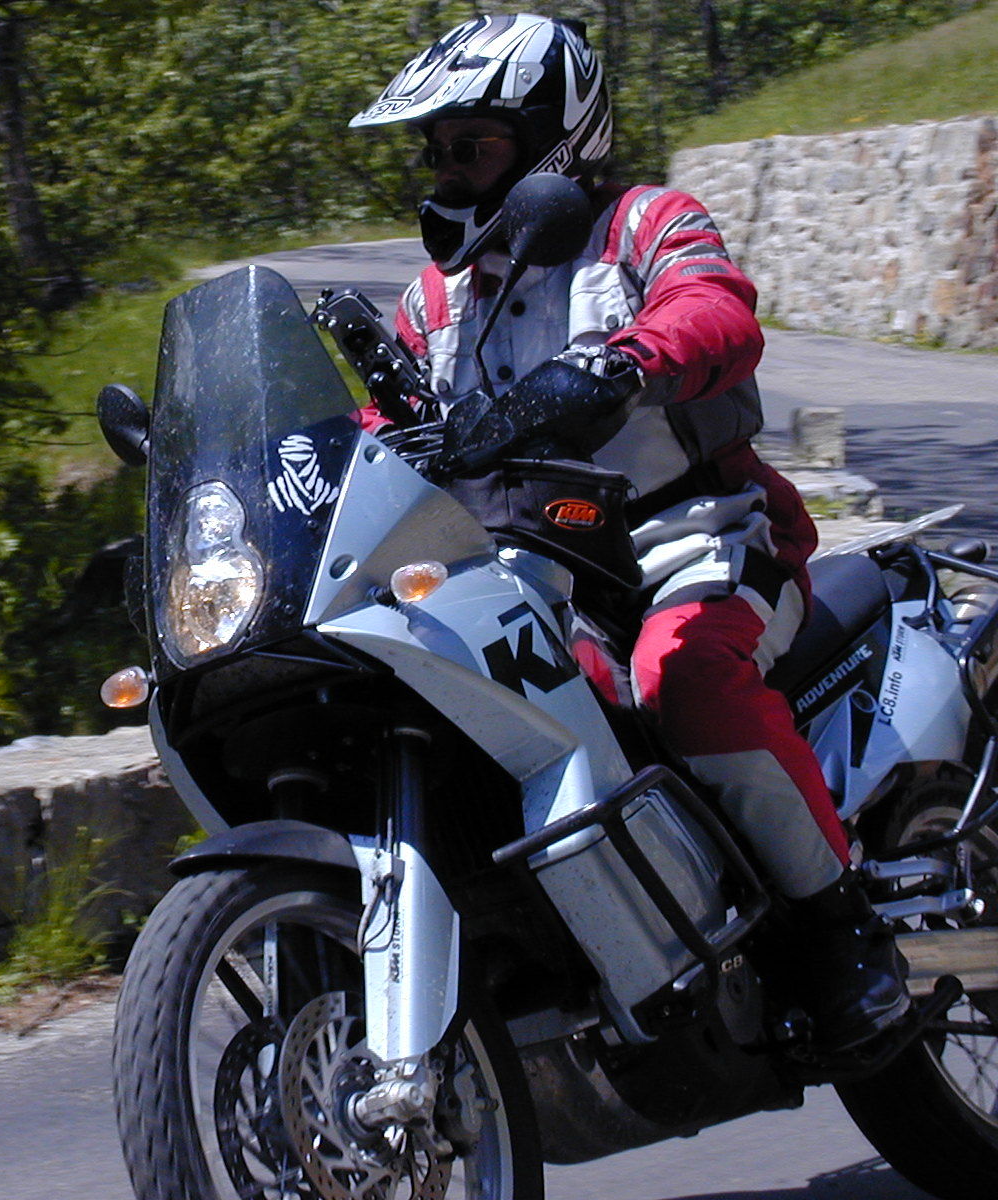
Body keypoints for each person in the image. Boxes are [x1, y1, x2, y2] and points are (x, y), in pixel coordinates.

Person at [350, 12, 907, 1050]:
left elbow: (718, 311)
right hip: (531, 558)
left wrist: (621, 362)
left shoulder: (645, 225)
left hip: (695, 530)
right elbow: (386, 432)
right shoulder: (435, 301)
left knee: (679, 680)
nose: (449, 173)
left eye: (472, 147)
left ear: (549, 141)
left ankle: (841, 932)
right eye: (439, 152)